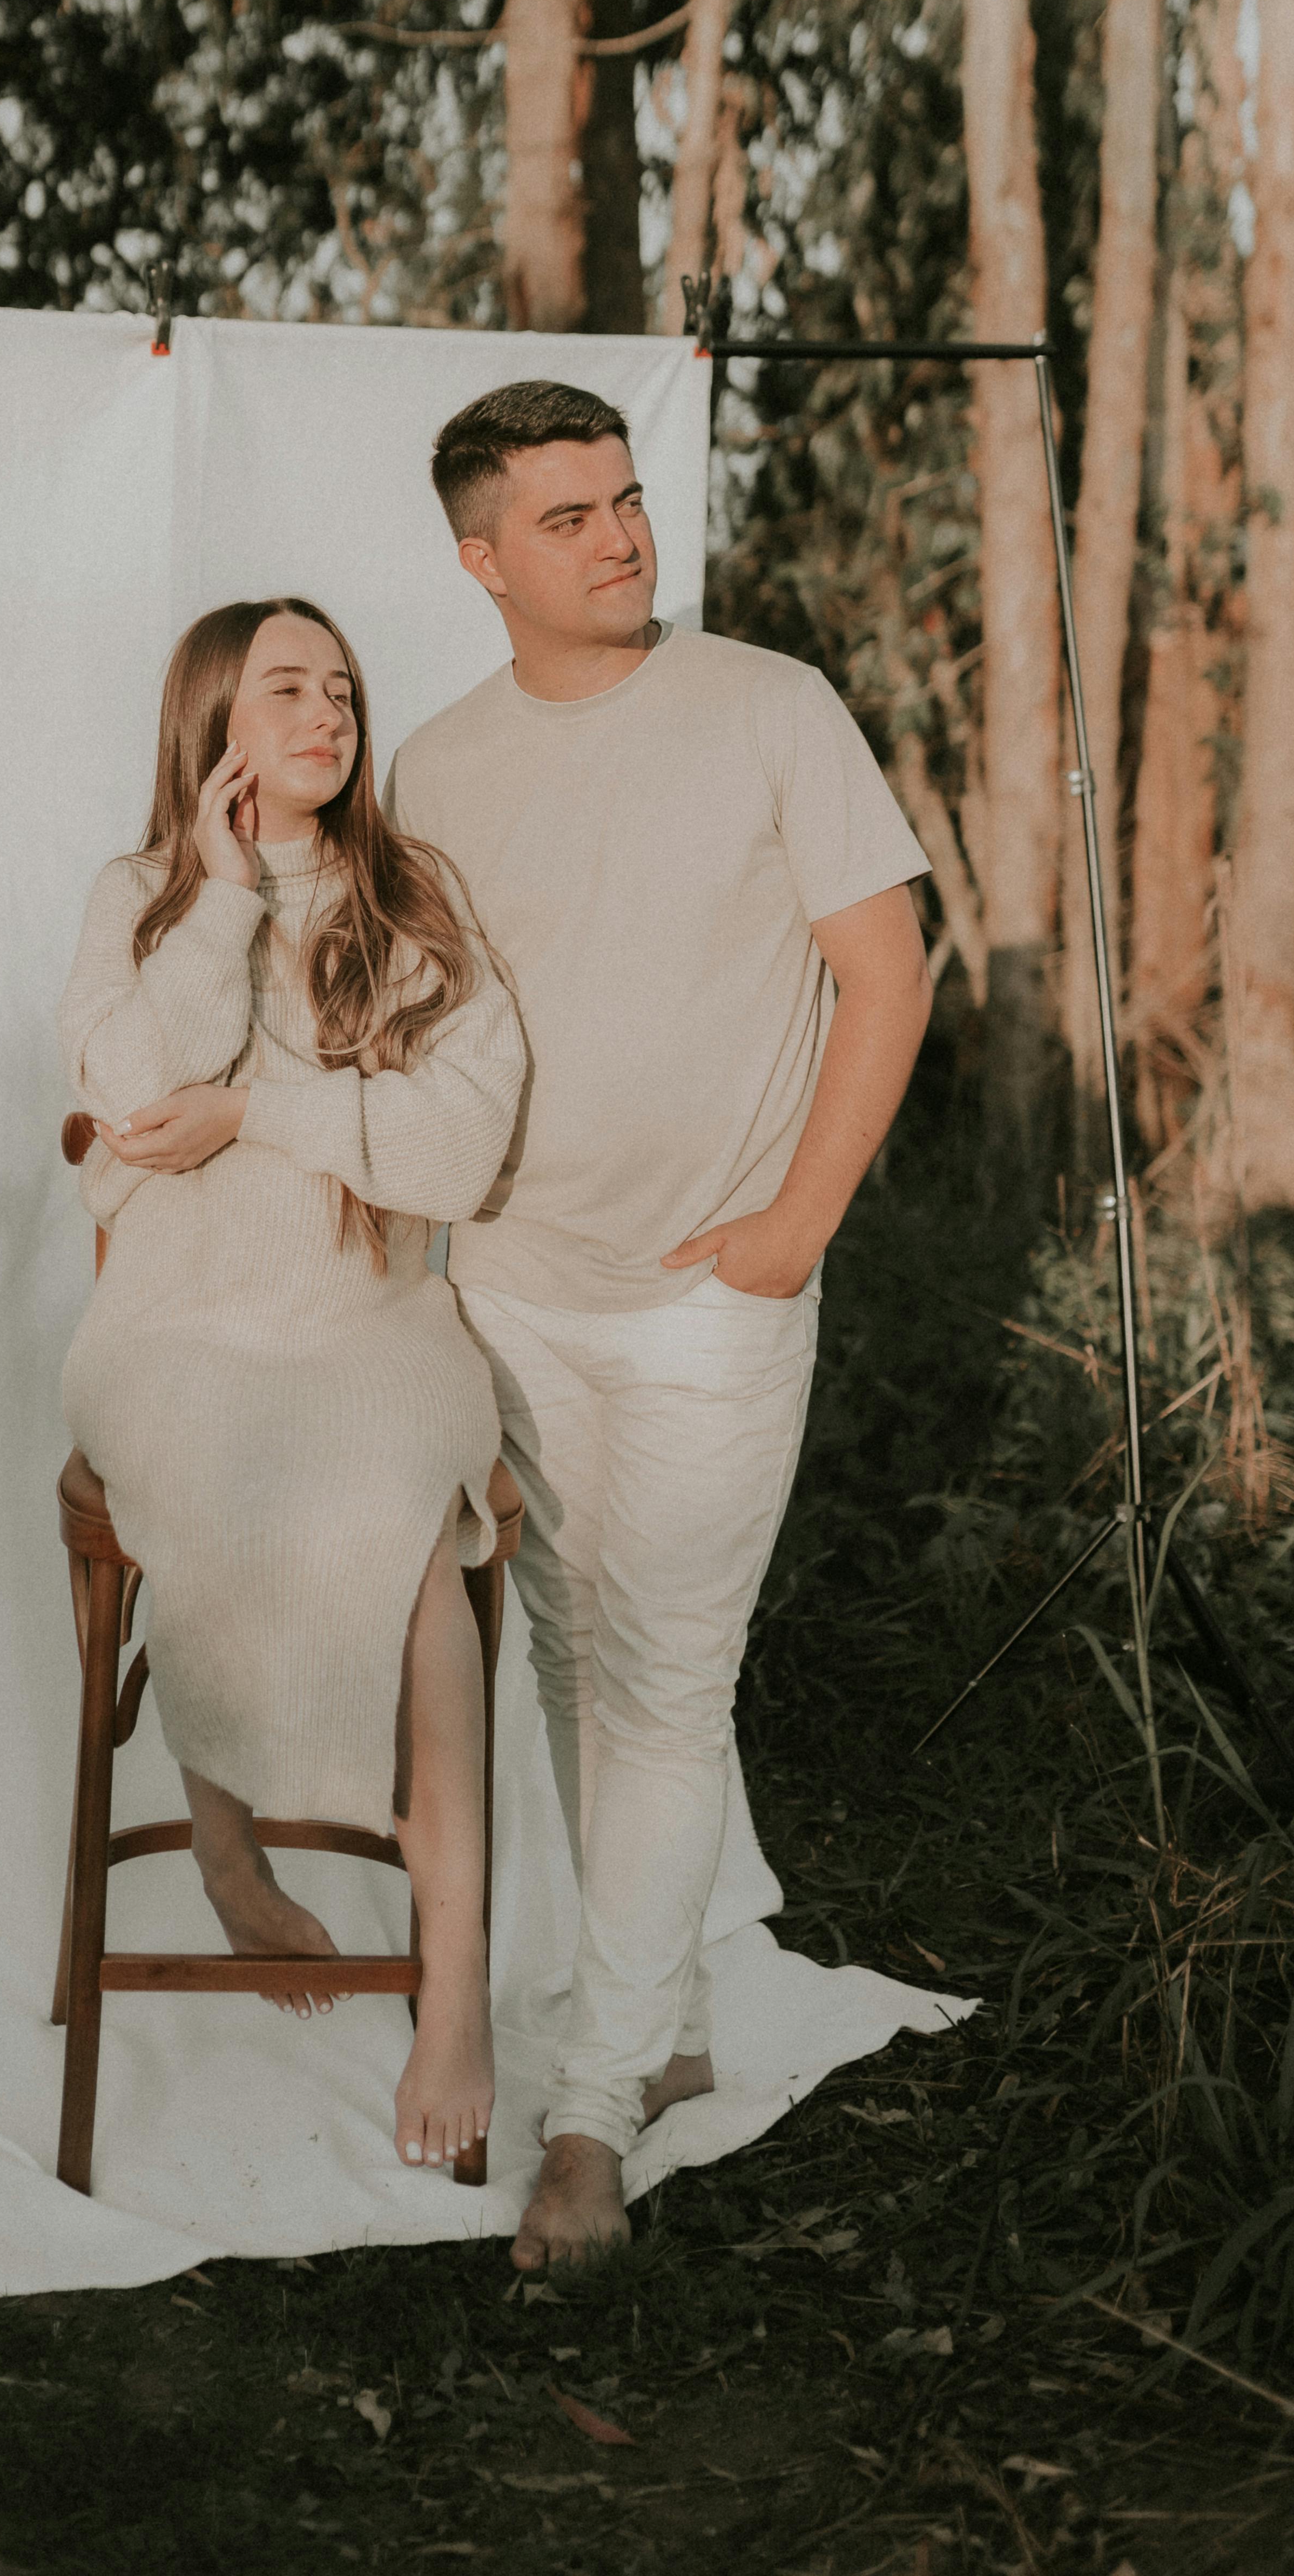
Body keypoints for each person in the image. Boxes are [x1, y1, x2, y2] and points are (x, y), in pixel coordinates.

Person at [384, 381, 933, 2268]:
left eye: (626, 500)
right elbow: (420, 1035)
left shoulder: (773, 706)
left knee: (671, 1680)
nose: (621, 538)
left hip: (712, 1304)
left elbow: (889, 973)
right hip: (517, 1292)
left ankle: (594, 2116)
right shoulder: (438, 770)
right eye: (568, 518)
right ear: (481, 561)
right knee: (567, 1652)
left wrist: (795, 1229)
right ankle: (670, 2009)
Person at [57, 596, 525, 2172]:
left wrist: (253, 1110)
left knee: (408, 1528)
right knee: (210, 1463)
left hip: (374, 1319)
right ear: (216, 721)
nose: (327, 712)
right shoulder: (141, 894)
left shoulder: (414, 901)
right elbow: (128, 1093)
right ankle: (227, 1848)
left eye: (343, 687)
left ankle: (451, 1988)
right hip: (181, 1326)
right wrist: (225, 897)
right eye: (287, 689)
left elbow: (459, 1151)